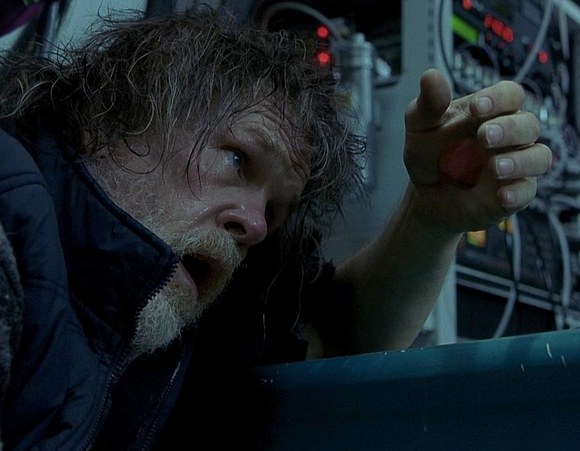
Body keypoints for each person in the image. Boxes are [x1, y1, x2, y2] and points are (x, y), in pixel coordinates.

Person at [0, 7, 552, 450]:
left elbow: (337, 334)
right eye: (237, 160)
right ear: (111, 114)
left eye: (276, 209)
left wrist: (432, 214)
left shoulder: (183, 330)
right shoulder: (10, 228)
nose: (256, 224)